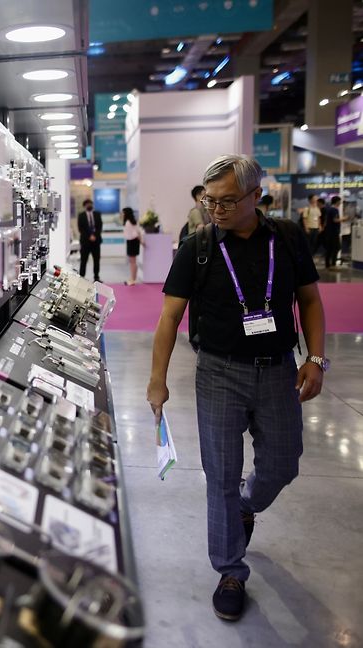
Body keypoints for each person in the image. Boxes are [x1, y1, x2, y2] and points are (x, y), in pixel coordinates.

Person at [147, 154, 327, 623]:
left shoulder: (286, 239)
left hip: (278, 371)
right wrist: (157, 381)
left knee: (283, 464)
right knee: (221, 477)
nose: (217, 209)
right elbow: (169, 317)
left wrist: (316, 358)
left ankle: (247, 507)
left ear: (256, 197)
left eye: (227, 201)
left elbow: (309, 300)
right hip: (219, 373)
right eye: (210, 200)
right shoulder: (199, 245)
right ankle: (230, 570)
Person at [77, 198, 102, 282]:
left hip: (96, 241)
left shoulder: (97, 214)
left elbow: (99, 227)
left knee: (96, 260)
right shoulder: (81, 215)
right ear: (84, 206)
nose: (89, 205)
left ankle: (96, 277)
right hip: (85, 242)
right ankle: (81, 277)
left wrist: (94, 235)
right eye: (87, 204)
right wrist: (89, 236)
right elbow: (81, 229)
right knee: (83, 260)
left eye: (90, 204)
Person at [122, 207, 144, 285]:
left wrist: (141, 241)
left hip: (132, 241)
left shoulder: (128, 222)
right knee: (133, 261)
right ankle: (132, 278)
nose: (122, 214)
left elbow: (135, 233)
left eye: (123, 213)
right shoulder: (133, 221)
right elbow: (138, 232)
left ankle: (133, 279)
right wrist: (141, 241)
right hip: (133, 242)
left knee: (132, 262)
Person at [322, 196, 342, 269]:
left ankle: (328, 264)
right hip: (333, 232)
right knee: (336, 247)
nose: (340, 203)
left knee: (331, 248)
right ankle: (332, 264)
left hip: (330, 232)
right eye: (340, 201)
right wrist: (344, 219)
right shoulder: (334, 210)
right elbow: (335, 220)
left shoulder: (330, 209)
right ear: (337, 202)